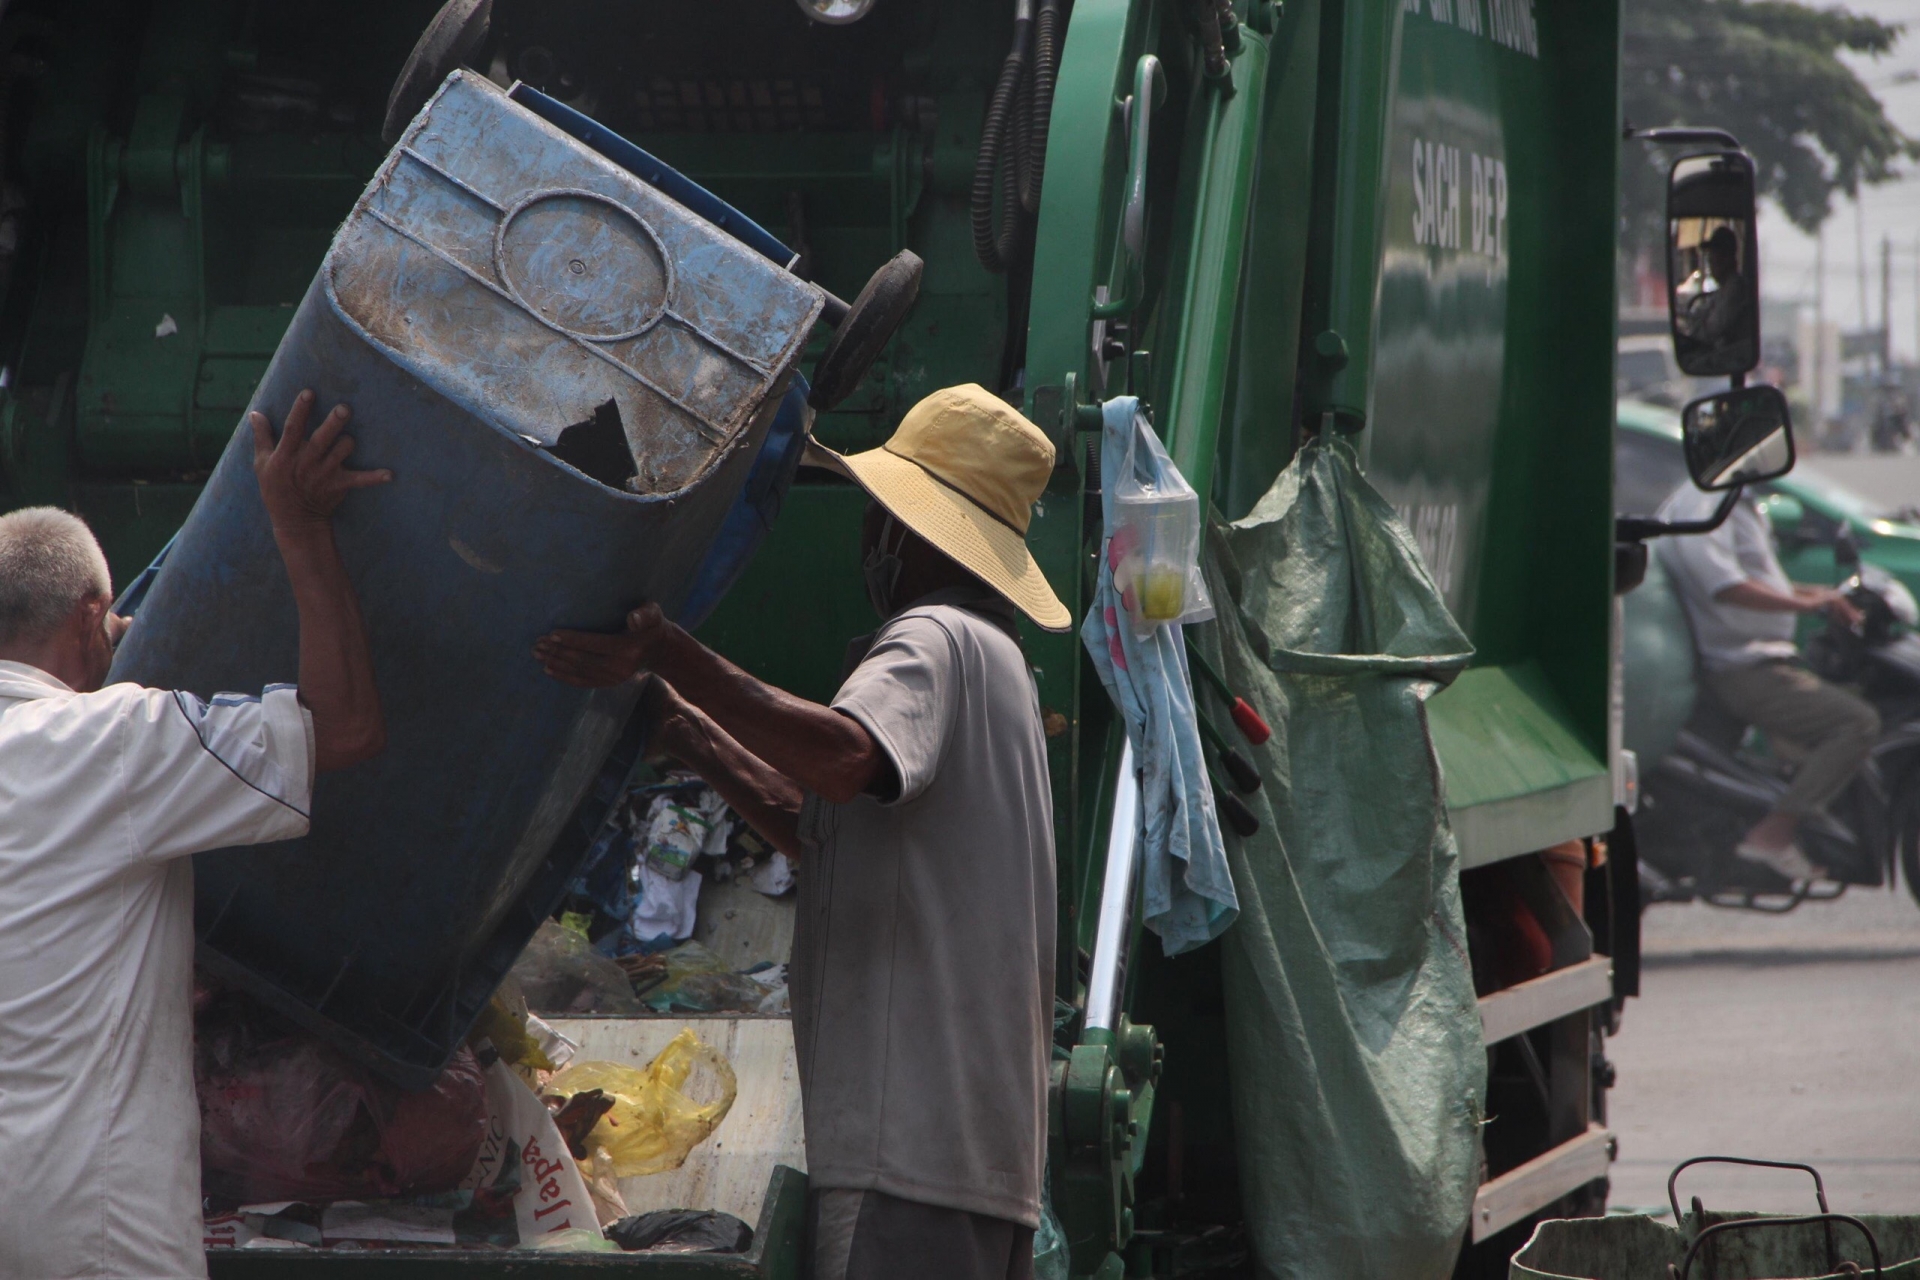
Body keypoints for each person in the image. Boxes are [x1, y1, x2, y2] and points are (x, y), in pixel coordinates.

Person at [535, 384, 1070, 1280]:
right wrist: (683, 729)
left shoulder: (933, 637)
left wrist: (675, 654)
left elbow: (842, 758)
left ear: (912, 533)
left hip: (905, 1155)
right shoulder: (1003, 669)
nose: (869, 536)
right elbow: (819, 828)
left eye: (879, 515)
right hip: (978, 1165)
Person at [0, 392, 390, 1279]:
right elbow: (350, 726)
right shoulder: (114, 744)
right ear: (91, 614)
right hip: (89, 1230)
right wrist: (300, 528)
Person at [1655, 480, 1878, 881]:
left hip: (1763, 658)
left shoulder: (1736, 501)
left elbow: (1759, 581)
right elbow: (1725, 586)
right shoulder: (1707, 503)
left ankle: (1804, 815)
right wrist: (1805, 603)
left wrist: (1822, 597)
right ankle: (1776, 831)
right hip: (1745, 666)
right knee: (1857, 722)